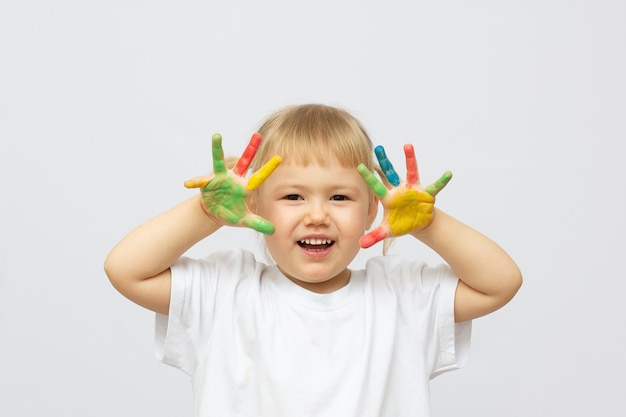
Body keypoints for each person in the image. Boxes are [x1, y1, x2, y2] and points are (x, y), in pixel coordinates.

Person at [104, 104, 522, 417]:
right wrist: (204, 213)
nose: (317, 214)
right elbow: (126, 270)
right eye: (293, 196)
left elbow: (500, 282)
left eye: (339, 197)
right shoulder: (225, 291)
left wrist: (429, 225)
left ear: (371, 211)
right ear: (255, 205)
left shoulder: (401, 295)